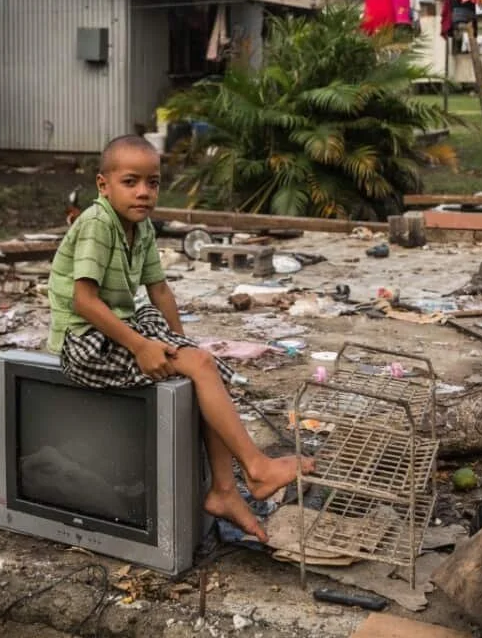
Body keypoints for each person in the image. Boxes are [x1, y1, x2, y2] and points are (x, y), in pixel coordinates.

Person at [47, 135, 313, 541]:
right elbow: (84, 302)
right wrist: (141, 346)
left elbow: (161, 292)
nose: (143, 192)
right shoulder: (98, 224)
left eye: (152, 183)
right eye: (131, 181)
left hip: (122, 322)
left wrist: (187, 352)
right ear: (103, 185)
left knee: (202, 367)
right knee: (198, 366)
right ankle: (255, 470)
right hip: (83, 341)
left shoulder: (141, 227)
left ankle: (224, 490)